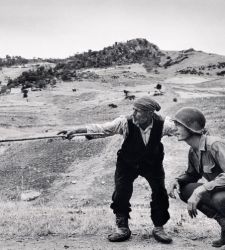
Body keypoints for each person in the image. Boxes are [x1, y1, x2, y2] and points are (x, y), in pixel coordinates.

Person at [58, 96, 175, 244]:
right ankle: (122, 228)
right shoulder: (124, 122)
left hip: (152, 163)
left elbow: (183, 128)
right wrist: (75, 131)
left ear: (149, 113)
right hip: (127, 163)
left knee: (160, 192)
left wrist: (199, 131)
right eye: (133, 110)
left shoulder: (164, 124)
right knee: (121, 192)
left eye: (137, 111)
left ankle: (159, 228)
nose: (133, 114)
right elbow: (102, 129)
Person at [169, 107, 225, 248]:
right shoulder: (193, 150)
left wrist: (200, 191)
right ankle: (224, 224)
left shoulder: (214, 144)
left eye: (178, 125)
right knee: (185, 189)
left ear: (191, 127)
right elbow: (192, 175)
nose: (174, 129)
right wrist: (177, 180)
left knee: (218, 198)